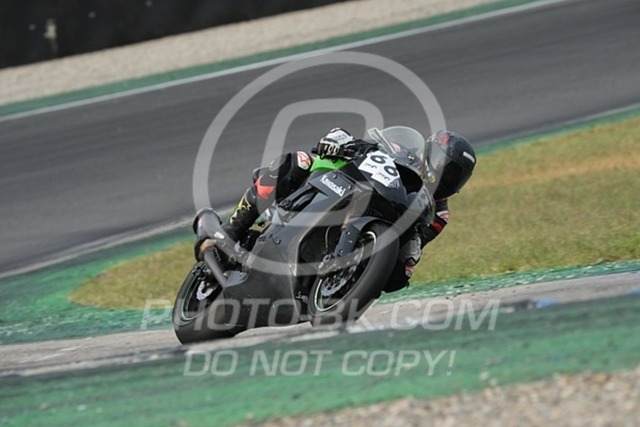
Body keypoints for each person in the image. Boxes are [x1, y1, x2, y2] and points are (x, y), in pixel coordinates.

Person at [195, 127, 476, 292]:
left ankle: (341, 278)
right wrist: (339, 142)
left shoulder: (438, 213)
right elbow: (367, 143)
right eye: (448, 170)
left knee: (399, 274)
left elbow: (416, 244)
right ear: (433, 159)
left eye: (456, 178)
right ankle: (228, 233)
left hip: (377, 232)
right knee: (298, 161)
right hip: (342, 187)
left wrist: (407, 254)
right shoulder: (404, 153)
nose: (449, 180)